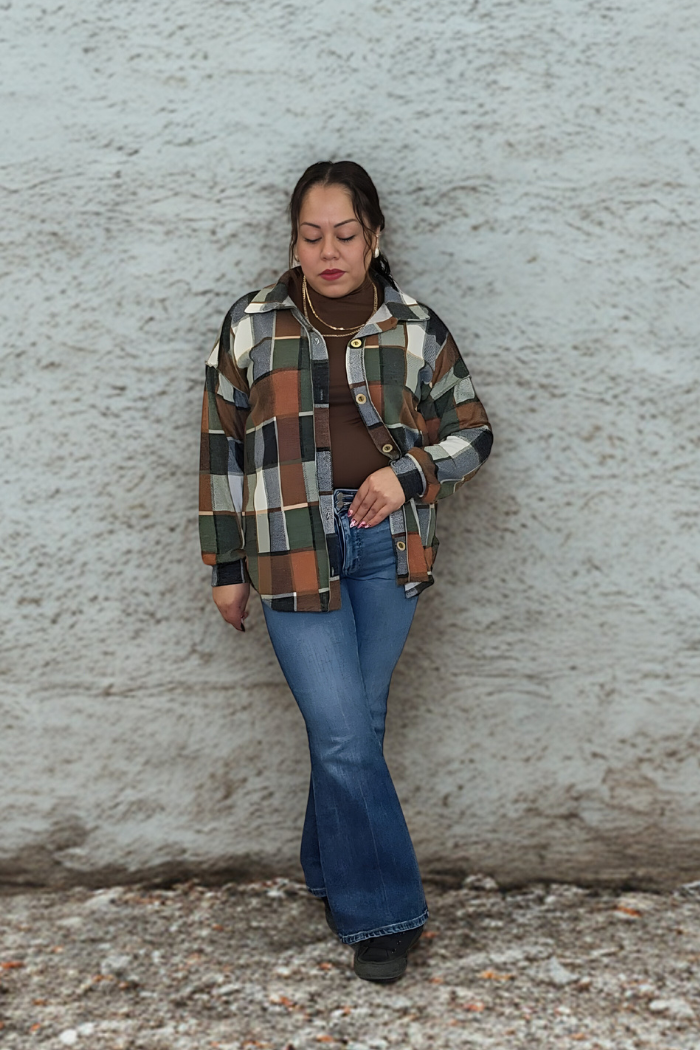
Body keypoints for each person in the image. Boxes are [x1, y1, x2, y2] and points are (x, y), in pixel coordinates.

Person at [199, 160, 493, 982]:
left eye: (346, 234)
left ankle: (331, 872)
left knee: (357, 724)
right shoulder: (251, 325)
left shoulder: (417, 328)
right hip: (289, 549)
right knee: (340, 731)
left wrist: (404, 474)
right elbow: (220, 446)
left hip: (387, 547)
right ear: (292, 240)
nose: (328, 251)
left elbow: (473, 432)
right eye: (311, 234)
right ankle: (385, 914)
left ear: (375, 237)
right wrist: (225, 564)